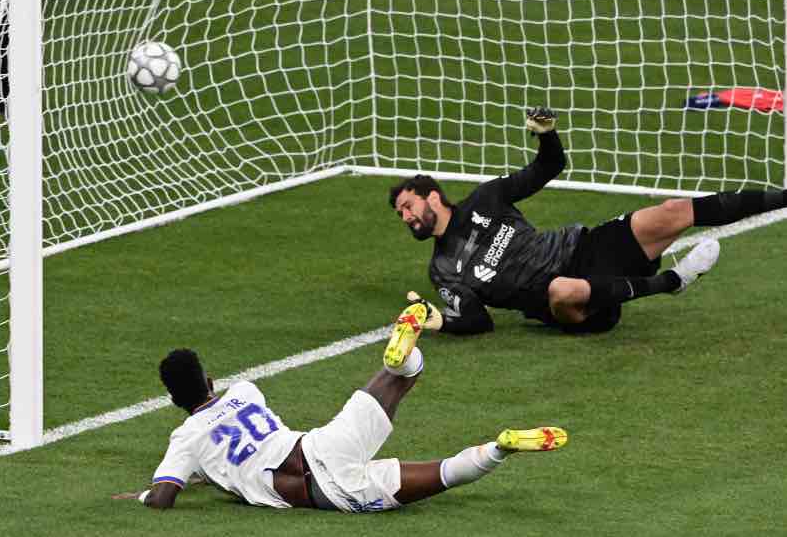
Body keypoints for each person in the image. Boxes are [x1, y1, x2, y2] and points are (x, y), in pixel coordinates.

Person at [112, 303, 568, 512]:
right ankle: (404, 353)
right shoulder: (245, 393)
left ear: (173, 400)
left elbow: (167, 495)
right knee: (402, 376)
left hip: (330, 491)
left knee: (445, 473)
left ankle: (501, 448)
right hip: (323, 443)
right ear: (212, 381)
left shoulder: (185, 438)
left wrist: (148, 493)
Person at [389, 107, 787, 334]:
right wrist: (435, 319)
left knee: (673, 210)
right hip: (568, 303)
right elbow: (478, 320)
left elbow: (550, 165)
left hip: (583, 248)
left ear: (433, 197)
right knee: (563, 288)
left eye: (408, 206)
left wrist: (547, 134)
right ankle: (670, 282)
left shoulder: (487, 198)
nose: (406, 218)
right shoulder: (442, 270)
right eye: (401, 214)